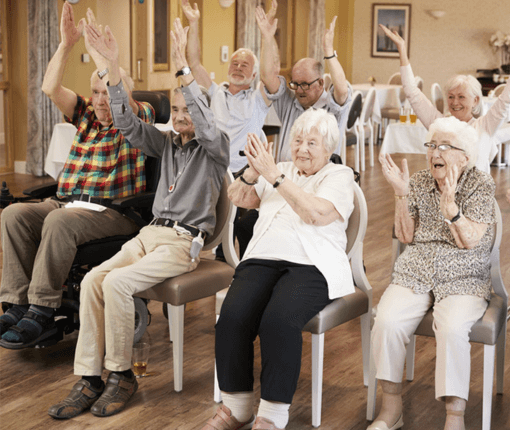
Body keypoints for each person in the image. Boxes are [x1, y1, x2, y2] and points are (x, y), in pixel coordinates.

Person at [47, 17, 229, 419]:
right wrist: (113, 68)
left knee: (116, 283)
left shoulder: (216, 149)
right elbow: (127, 124)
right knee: (95, 279)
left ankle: (121, 375)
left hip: (183, 242)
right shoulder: (165, 144)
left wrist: (183, 65)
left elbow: (206, 120)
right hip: (150, 234)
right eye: (176, 109)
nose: (181, 116)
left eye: (188, 110)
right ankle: (90, 380)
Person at [0, 2, 154, 349]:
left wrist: (106, 58)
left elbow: (122, 100)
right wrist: (66, 44)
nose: (101, 100)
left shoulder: (137, 119)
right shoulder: (84, 114)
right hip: (67, 203)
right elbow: (49, 87)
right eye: (96, 93)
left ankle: (41, 310)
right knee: (13, 214)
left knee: (58, 224)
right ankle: (18, 303)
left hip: (114, 212)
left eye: (107, 93)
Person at [202, 108, 355, 430]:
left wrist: (274, 177)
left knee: (279, 320)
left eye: (312, 143)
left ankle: (272, 415)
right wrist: (251, 174)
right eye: (298, 140)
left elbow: (315, 214)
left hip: (314, 264)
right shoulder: (280, 168)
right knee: (232, 316)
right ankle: (237, 408)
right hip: (262, 258)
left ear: (328, 148)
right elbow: (240, 198)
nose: (302, 149)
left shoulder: (339, 176)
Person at [370, 116, 496, 430]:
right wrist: (401, 193)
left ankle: (454, 418)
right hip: (418, 269)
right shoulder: (421, 181)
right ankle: (391, 409)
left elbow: (470, 241)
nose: (434, 153)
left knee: (453, 328)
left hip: (463, 274)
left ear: (464, 156)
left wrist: (451, 208)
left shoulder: (481, 184)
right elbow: (406, 236)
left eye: (443, 147)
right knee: (387, 320)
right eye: (431, 145)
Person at [379, 24, 510, 174]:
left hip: (476, 195)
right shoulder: (439, 124)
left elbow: (506, 99)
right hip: (443, 193)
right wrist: (402, 49)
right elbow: (412, 93)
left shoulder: (485, 125)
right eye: (451, 97)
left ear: (475, 100)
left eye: (461, 97)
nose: (455, 102)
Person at [181, 0, 272, 175]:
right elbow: (194, 63)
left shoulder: (258, 100)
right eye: (235, 63)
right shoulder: (216, 92)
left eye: (244, 65)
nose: (238, 68)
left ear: (254, 75)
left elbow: (269, 74)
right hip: (212, 166)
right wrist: (193, 23)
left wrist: (267, 37)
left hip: (242, 171)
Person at [256, 2, 351, 162]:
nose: (299, 90)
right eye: (295, 84)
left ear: (321, 83)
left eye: (305, 85)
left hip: (319, 181)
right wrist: (267, 36)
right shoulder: (290, 102)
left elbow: (342, 91)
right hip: (285, 177)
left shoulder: (332, 108)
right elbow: (267, 77)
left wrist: (328, 51)